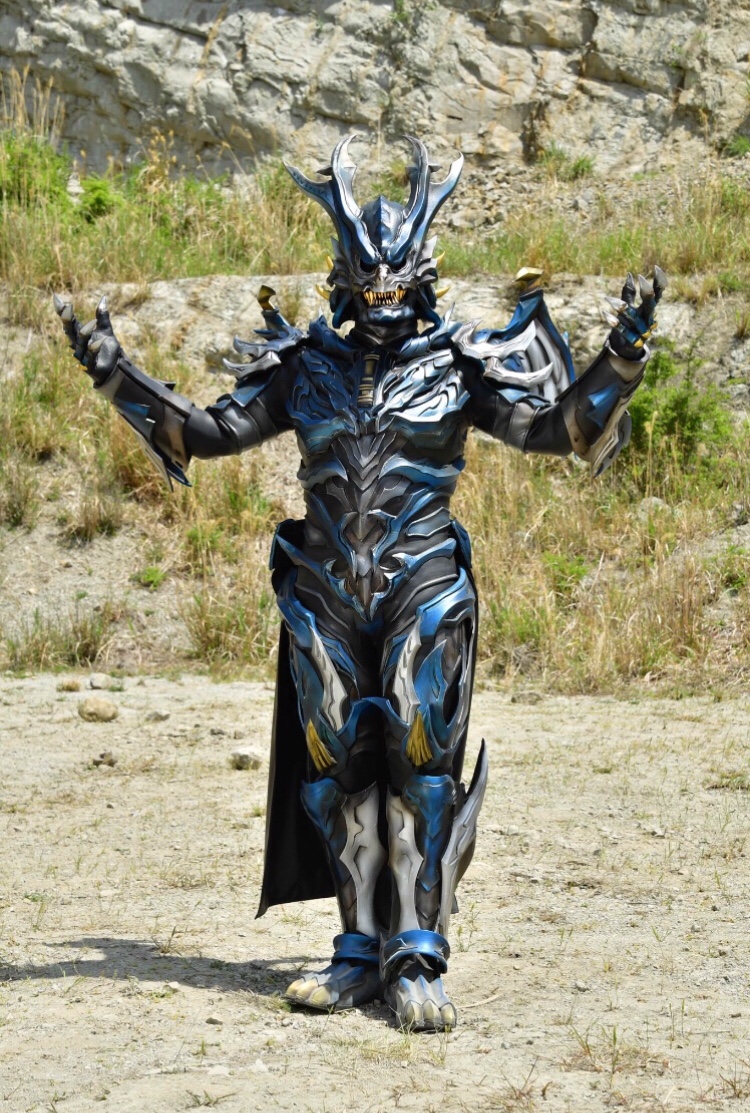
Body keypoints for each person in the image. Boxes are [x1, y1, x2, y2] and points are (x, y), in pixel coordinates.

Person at [54, 135, 665, 1031]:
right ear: (344, 275)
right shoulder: (307, 366)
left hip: (423, 583)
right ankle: (355, 950)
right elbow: (207, 433)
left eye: (395, 275)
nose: (381, 290)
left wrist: (622, 356)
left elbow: (557, 429)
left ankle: (415, 955)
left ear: (420, 275)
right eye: (366, 275)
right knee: (341, 766)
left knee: (420, 761)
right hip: (329, 592)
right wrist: (117, 375)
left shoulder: (458, 363)